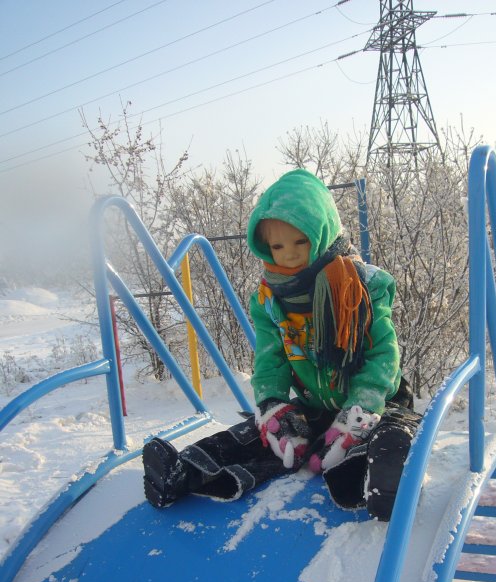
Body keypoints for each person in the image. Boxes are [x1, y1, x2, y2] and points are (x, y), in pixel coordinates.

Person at [142, 169, 420, 521]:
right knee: (258, 435)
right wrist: (273, 404)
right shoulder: (270, 298)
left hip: (377, 402)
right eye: (277, 245)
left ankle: (387, 481)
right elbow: (271, 359)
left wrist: (358, 411)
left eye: (300, 241)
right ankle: (184, 472)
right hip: (314, 406)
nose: (288, 254)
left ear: (321, 233)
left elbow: (384, 354)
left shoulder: (362, 286)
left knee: (390, 432)